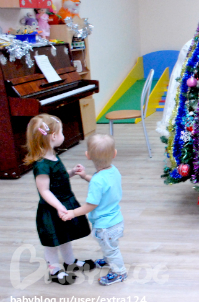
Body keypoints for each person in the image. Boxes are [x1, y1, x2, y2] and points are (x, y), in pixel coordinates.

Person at [24, 114, 95, 286]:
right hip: (51, 210)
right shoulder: (41, 165)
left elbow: (57, 179)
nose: (63, 135)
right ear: (54, 136)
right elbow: (44, 190)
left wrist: (72, 172)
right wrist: (59, 206)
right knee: (52, 242)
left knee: (65, 236)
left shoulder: (53, 157)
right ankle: (54, 271)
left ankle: (70, 262)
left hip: (63, 203)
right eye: (61, 132)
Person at [61, 134, 127, 286]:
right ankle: (108, 259)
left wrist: (73, 213)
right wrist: (85, 176)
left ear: (88, 156)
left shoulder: (97, 181)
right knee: (109, 246)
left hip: (105, 226)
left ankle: (120, 273)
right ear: (114, 154)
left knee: (111, 250)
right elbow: (104, 185)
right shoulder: (114, 171)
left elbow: (91, 205)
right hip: (116, 220)